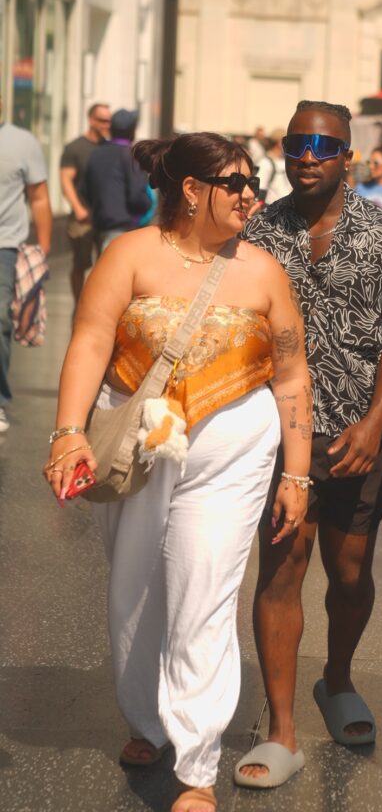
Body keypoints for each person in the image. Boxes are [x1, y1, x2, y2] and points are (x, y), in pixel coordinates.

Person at [43, 132, 312, 812]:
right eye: (237, 184)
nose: (252, 195)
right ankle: (147, 719)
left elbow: (291, 374)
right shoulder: (128, 254)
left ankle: (195, 764)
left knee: (204, 595)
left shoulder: (262, 271)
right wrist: (70, 433)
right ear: (191, 190)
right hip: (137, 447)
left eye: (255, 183)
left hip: (234, 457)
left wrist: (297, 474)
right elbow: (91, 339)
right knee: (133, 589)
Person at [236, 100, 382, 789]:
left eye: (323, 143)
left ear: (348, 155)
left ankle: (337, 678)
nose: (307, 154)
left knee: (348, 575)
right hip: (277, 433)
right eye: (296, 142)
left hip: (357, 434)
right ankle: (282, 732)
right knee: (283, 569)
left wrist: (377, 424)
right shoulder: (257, 232)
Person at [0, 97, 53, 433]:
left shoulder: (22, 142)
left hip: (4, 245)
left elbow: (39, 196)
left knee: (0, 318)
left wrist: (44, 244)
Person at [59, 102, 111, 302]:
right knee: (80, 264)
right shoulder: (75, 148)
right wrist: (78, 208)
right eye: (102, 120)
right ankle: (78, 304)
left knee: (105, 266)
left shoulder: (109, 148)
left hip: (105, 218)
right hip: (82, 217)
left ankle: (96, 305)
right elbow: (65, 180)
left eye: (109, 120)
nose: (107, 124)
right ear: (91, 120)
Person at [84, 109, 152, 250]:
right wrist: (146, 206)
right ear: (132, 131)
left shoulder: (96, 153)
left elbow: (85, 191)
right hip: (122, 230)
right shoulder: (130, 156)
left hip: (100, 228)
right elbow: (137, 196)